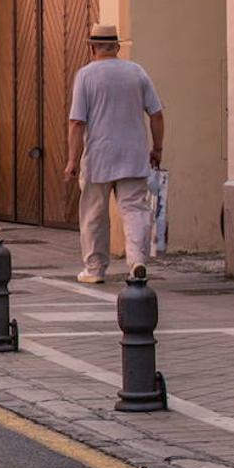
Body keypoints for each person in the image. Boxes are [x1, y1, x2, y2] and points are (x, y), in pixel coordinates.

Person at [64, 23, 164, 284]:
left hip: (99, 156)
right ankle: (137, 261)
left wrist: (72, 160)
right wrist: (157, 149)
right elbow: (156, 113)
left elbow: (77, 122)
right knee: (135, 210)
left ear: (92, 47)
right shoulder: (137, 72)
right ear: (117, 47)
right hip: (134, 155)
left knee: (94, 214)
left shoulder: (85, 76)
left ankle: (95, 269)